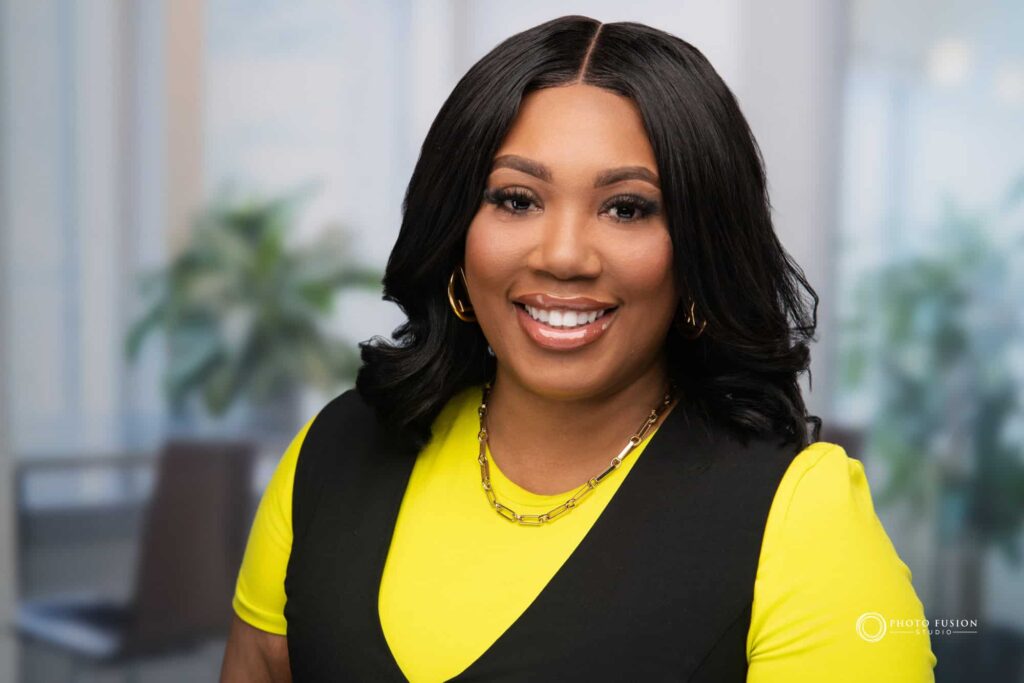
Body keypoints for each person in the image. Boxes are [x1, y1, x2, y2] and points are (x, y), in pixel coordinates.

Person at [220, 15, 936, 682]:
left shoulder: (802, 521)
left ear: (698, 252)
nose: (563, 255)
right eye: (516, 199)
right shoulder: (333, 453)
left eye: (627, 207)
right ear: (456, 235)